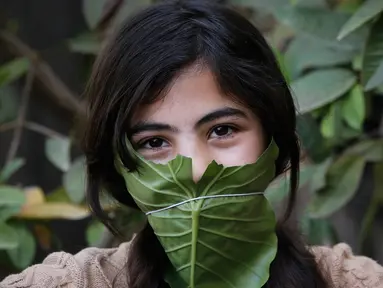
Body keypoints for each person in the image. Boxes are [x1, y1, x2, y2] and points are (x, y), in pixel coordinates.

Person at [2, 0, 383, 287]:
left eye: (222, 130)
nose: (196, 170)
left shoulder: (349, 281)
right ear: (120, 163)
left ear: (273, 138)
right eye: (154, 141)